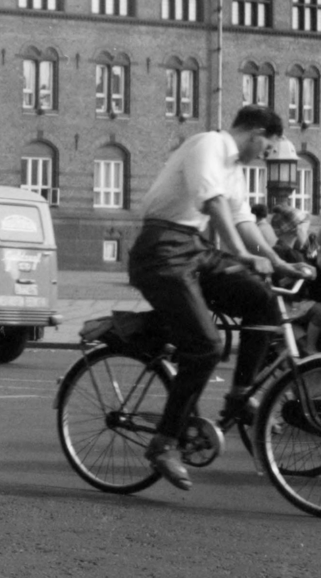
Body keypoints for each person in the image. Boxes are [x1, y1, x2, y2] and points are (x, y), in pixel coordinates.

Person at [127, 105, 312, 490]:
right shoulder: (209, 144)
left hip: (193, 250)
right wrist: (240, 254)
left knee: (260, 300)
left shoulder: (235, 172)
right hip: (161, 249)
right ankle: (165, 443)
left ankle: (240, 396)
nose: (266, 154)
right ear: (257, 131)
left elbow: (244, 221)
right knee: (205, 348)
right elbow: (213, 204)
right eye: (268, 146)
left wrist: (279, 262)